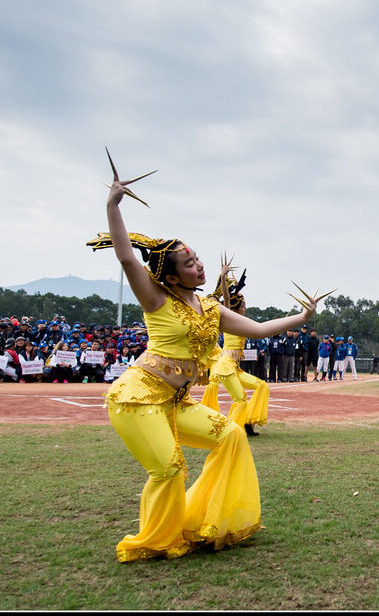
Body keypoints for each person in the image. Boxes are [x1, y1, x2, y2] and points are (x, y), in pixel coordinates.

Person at [87, 153, 328, 562]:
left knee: (231, 434)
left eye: (197, 259)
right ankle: (156, 540)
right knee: (169, 469)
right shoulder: (155, 298)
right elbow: (127, 258)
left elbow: (259, 329)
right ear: (171, 275)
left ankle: (205, 516)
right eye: (189, 264)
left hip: (176, 403)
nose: (198, 267)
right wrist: (113, 205)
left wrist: (302, 317)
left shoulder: (211, 307)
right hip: (138, 399)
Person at [203, 262, 271, 437]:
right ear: (237, 308)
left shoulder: (241, 323)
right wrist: (223, 277)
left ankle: (248, 421)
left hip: (234, 368)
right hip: (225, 366)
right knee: (240, 398)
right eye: (244, 305)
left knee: (261, 385)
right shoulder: (229, 319)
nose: (245, 307)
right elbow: (226, 298)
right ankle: (230, 431)